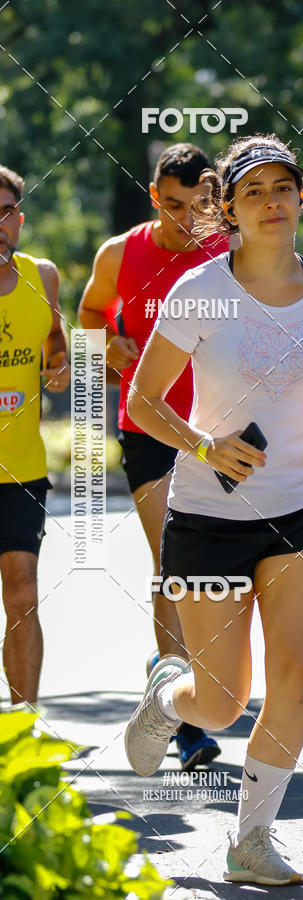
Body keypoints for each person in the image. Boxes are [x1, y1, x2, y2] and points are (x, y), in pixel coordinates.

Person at [124, 134, 303, 885]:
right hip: (207, 515)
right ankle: (165, 699)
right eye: (254, 192)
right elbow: (144, 401)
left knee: (297, 674)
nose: (273, 202)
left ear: (302, 198)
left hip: (301, 507)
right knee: (219, 703)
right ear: (231, 211)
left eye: (284, 188)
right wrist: (204, 446)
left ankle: (252, 841)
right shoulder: (200, 291)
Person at [78, 143, 228, 768]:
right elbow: (88, 314)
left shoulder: (228, 254)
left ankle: (178, 677)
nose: (185, 220)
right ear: (152, 197)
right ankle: (183, 715)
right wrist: (108, 343)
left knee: (217, 570)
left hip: (219, 430)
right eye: (172, 206)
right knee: (174, 557)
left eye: (199, 207)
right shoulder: (120, 253)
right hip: (147, 429)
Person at [0, 164, 70, 705]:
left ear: (19, 221)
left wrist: (59, 363)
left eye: (5, 214)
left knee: (22, 594)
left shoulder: (41, 276)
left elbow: (55, 343)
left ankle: (24, 731)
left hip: (21, 467)